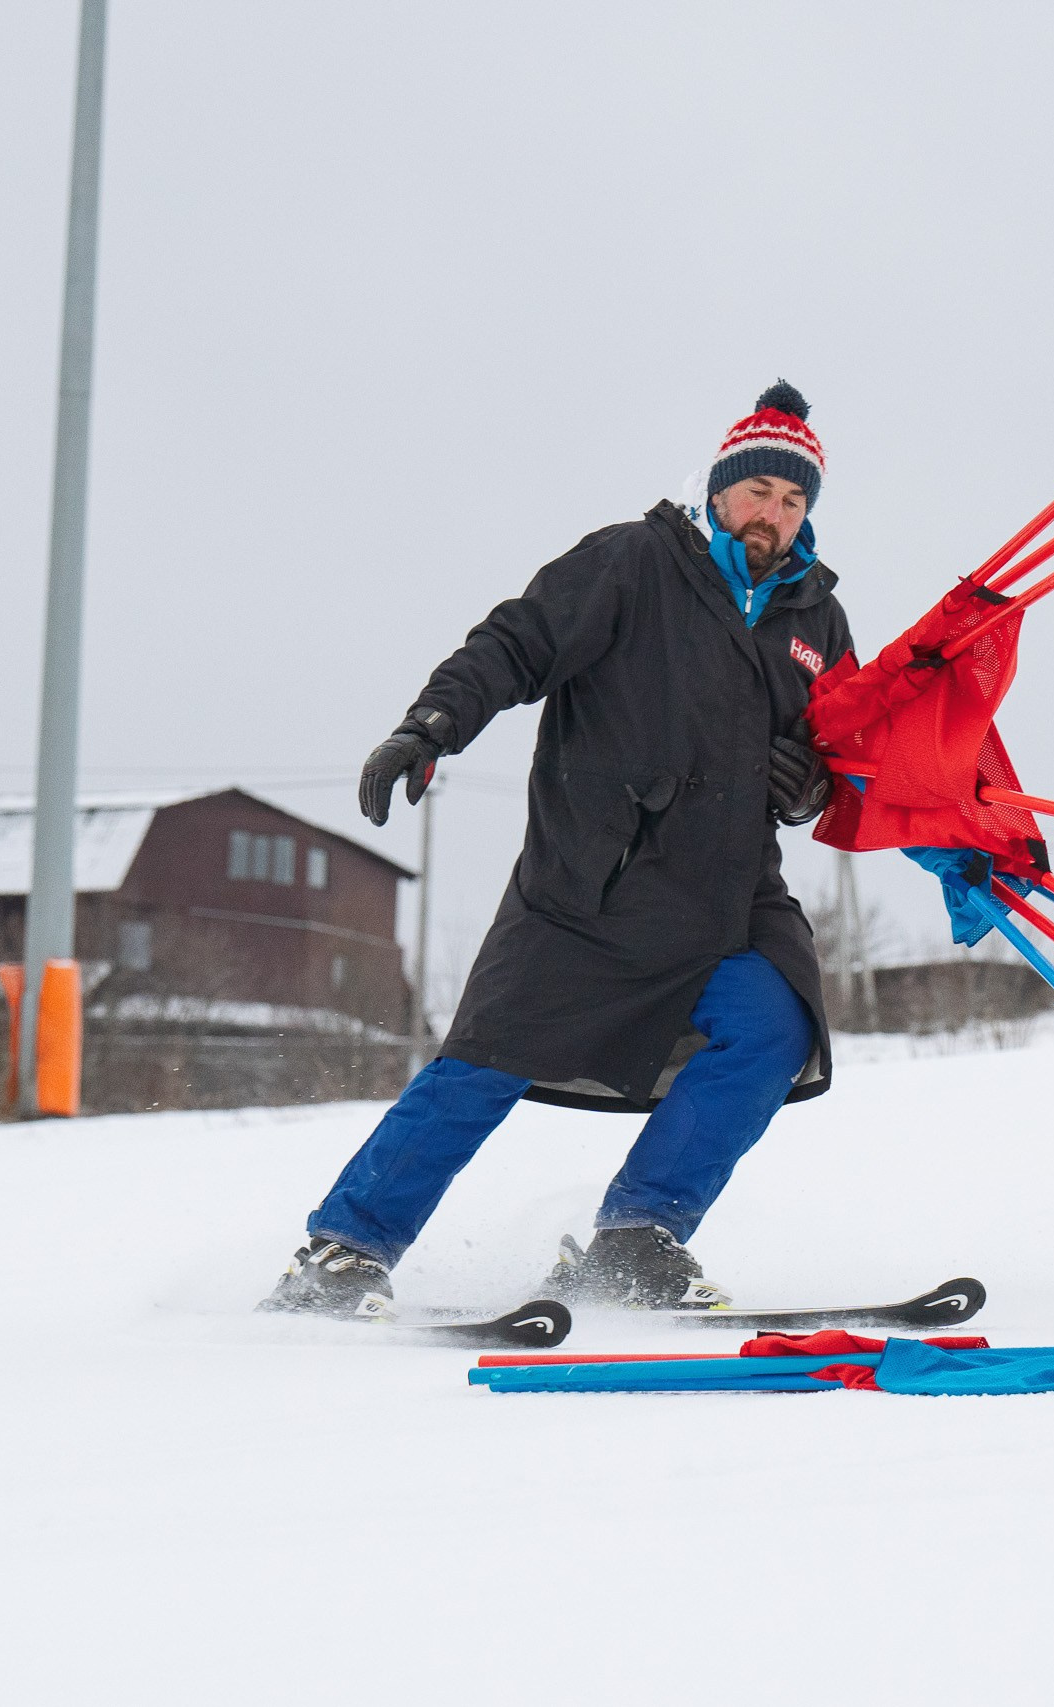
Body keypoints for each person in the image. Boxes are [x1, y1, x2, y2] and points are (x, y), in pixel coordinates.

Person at [264, 382, 853, 1320]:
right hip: (595, 884)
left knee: (777, 1023)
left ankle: (635, 1241)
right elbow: (518, 641)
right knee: (484, 1064)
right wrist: (431, 725)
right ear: (720, 490)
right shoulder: (636, 562)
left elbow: (838, 747)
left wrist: (813, 784)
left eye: (793, 502)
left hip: (729, 897)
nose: (773, 515)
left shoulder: (816, 619)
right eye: (759, 493)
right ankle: (342, 1252)